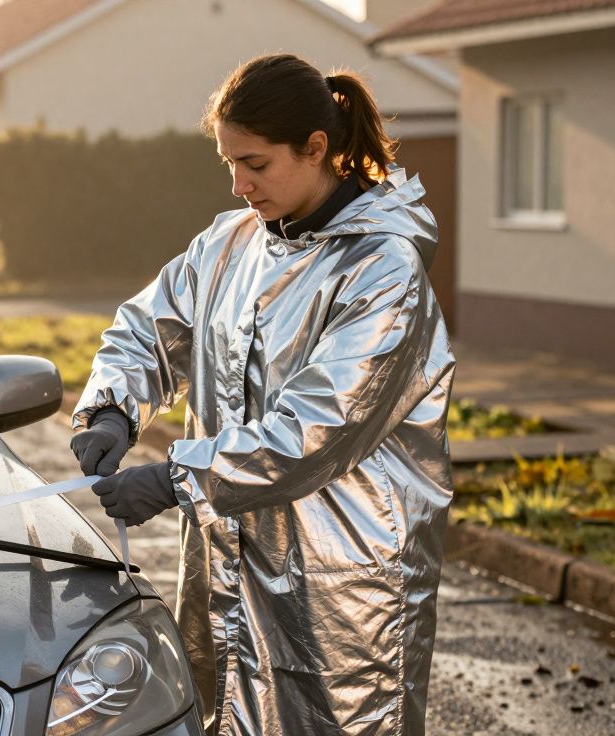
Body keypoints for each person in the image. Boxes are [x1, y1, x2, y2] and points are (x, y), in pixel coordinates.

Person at [69, 54, 455, 735]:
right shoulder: (229, 245)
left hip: (339, 582)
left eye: (255, 163)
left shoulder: (382, 270)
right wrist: (110, 409)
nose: (239, 184)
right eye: (228, 163)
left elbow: (318, 427)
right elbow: (149, 332)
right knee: (220, 714)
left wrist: (178, 478)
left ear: (316, 148)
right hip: (225, 564)